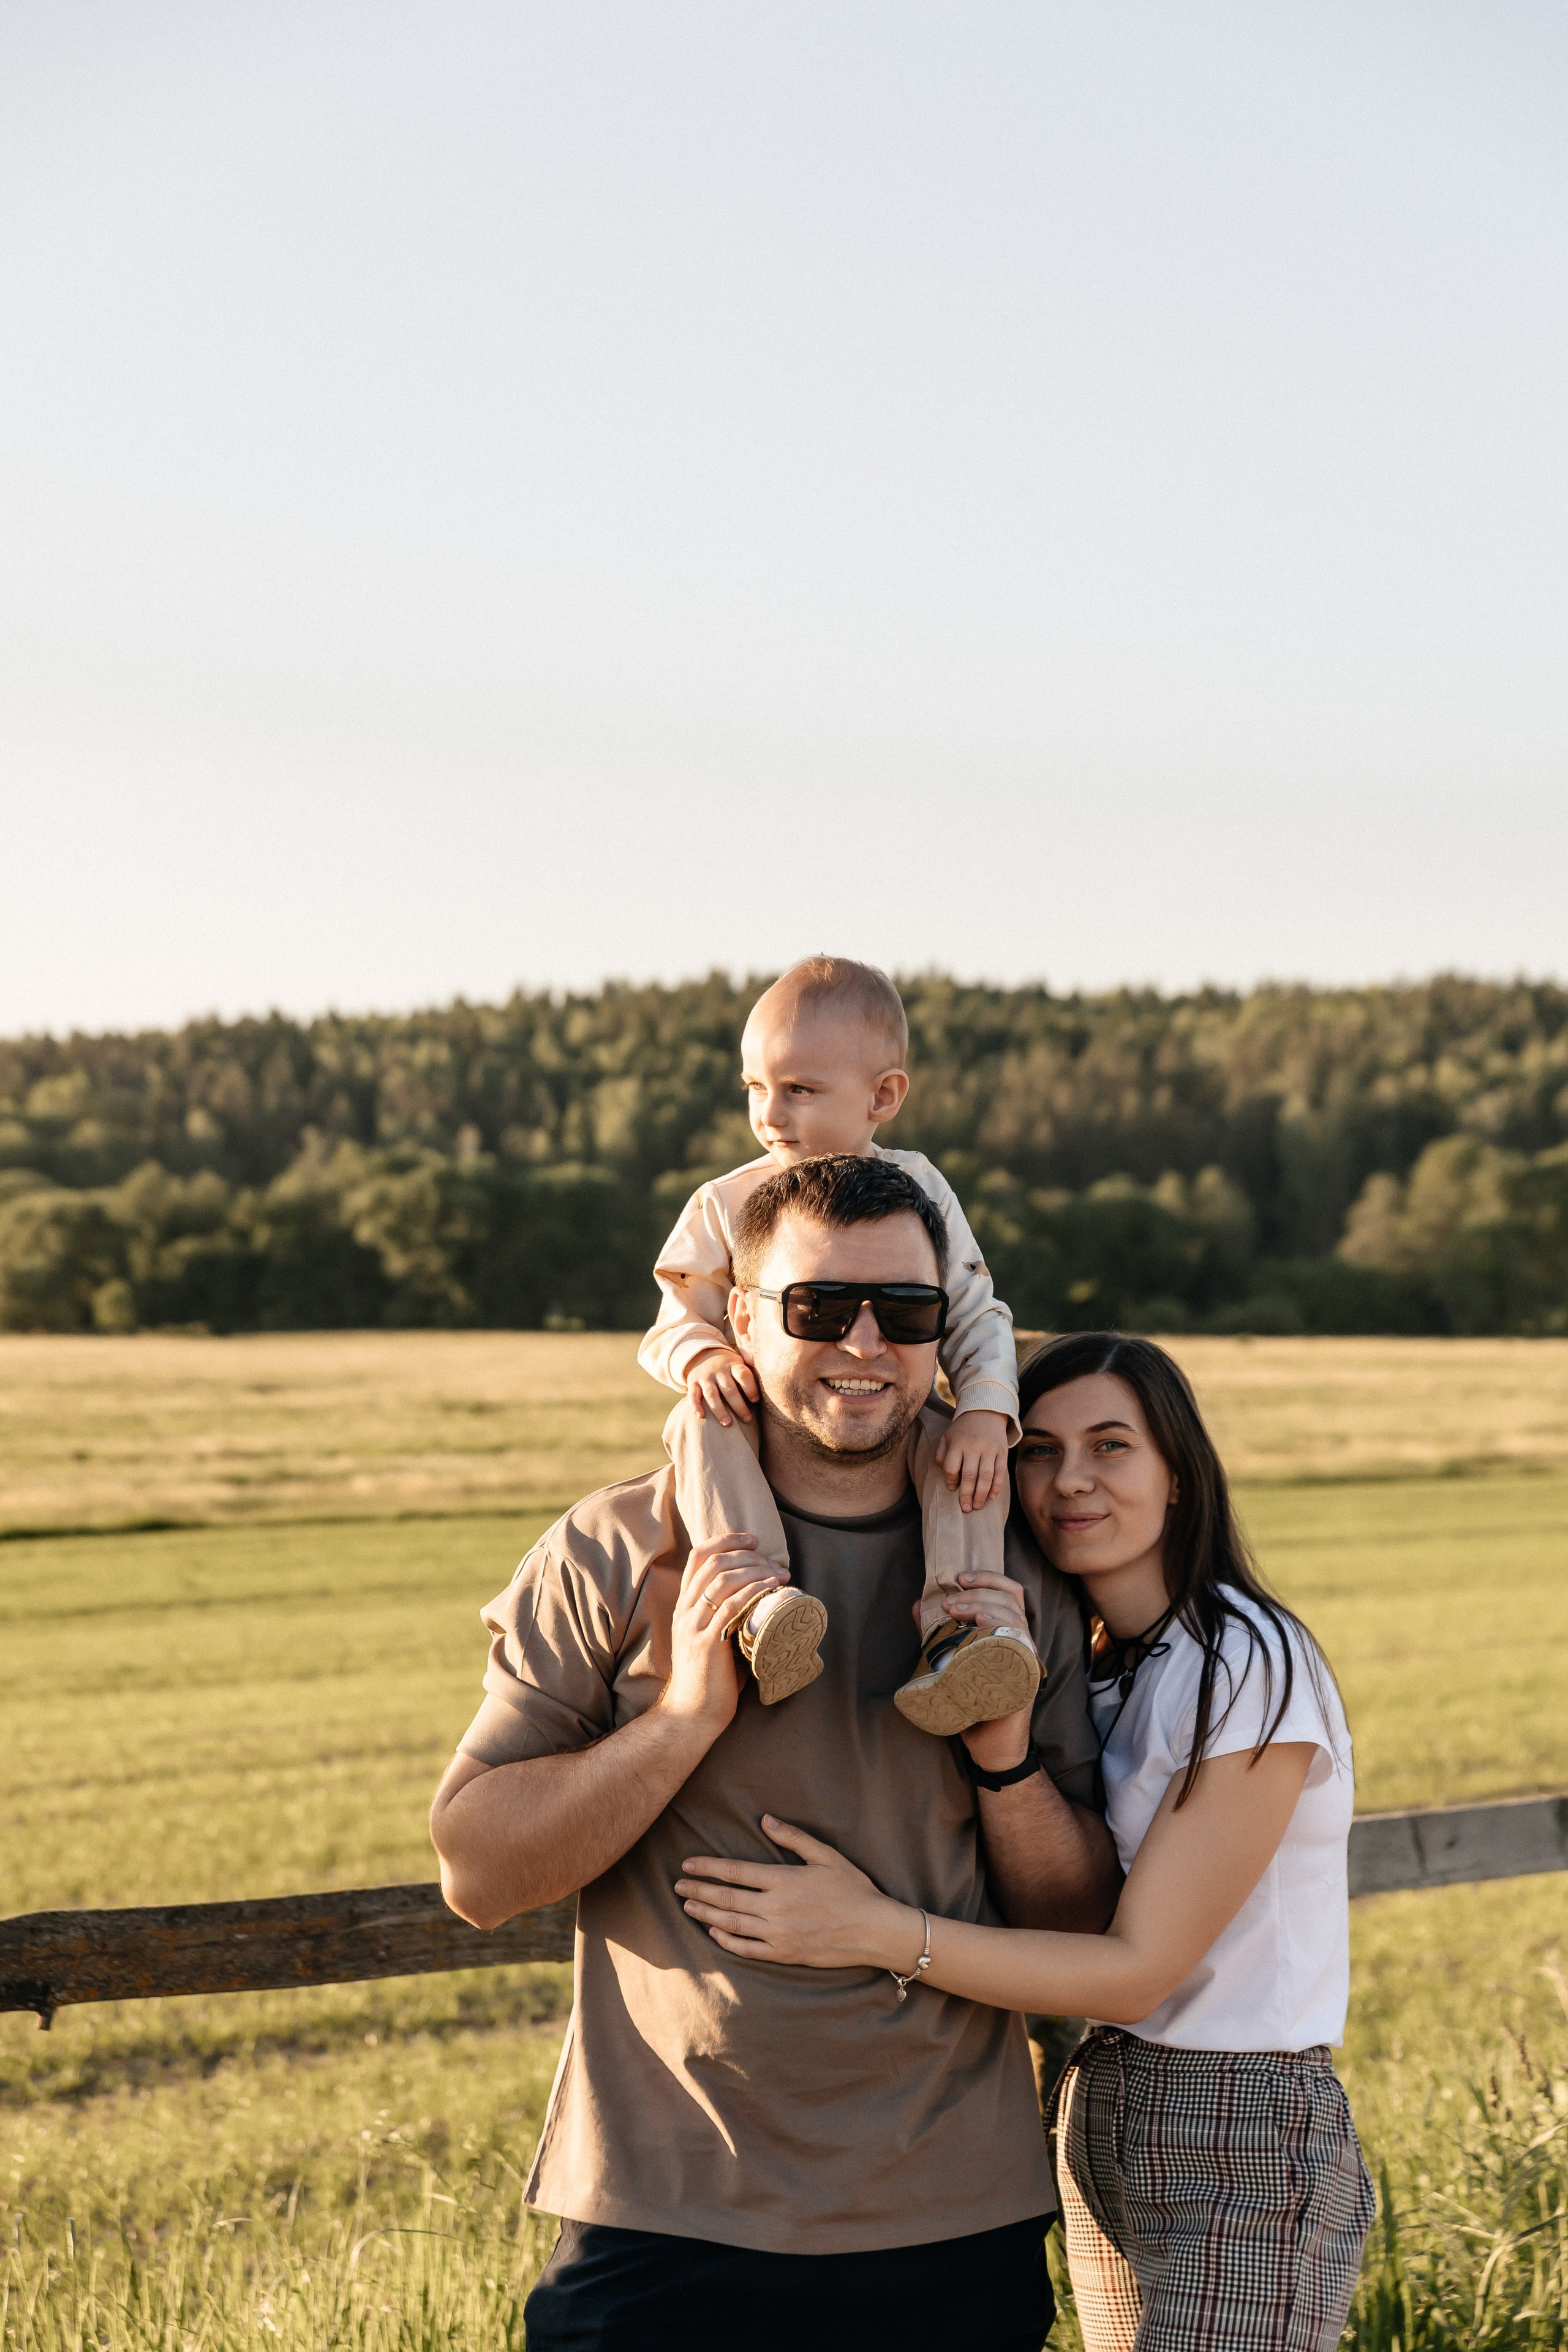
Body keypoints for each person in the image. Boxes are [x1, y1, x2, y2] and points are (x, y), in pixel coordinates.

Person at [430, 1158, 1121, 2352]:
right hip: (659, 2220)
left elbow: (1077, 1925)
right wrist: (684, 1717)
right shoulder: (612, 1551)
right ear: (738, 1319)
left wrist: (1003, 1760)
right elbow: (479, 1874)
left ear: (939, 1333)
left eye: (904, 1314)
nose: (865, 1342)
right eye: (817, 1308)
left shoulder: (1009, 1580)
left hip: (949, 2226)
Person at [676, 1331, 1377, 2352]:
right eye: (1036, 1451)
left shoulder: (1250, 1659)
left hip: (1237, 2120)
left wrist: (874, 1931)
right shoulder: (1100, 1669)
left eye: (1110, 1447)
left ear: (1180, 1475)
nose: (1069, 1482)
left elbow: (1139, 1973)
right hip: (1098, 2102)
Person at [639, 953, 1038, 1736]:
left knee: (956, 1457)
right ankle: (756, 1606)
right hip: (760, 1408)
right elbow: (673, 1318)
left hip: (884, 1418)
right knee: (699, 1421)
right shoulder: (726, 1201)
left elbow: (970, 1309)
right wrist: (705, 1357)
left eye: (800, 1090)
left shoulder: (919, 1188)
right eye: (757, 1088)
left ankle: (962, 1633)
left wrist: (986, 1410)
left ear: (883, 1097)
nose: (770, 1116)